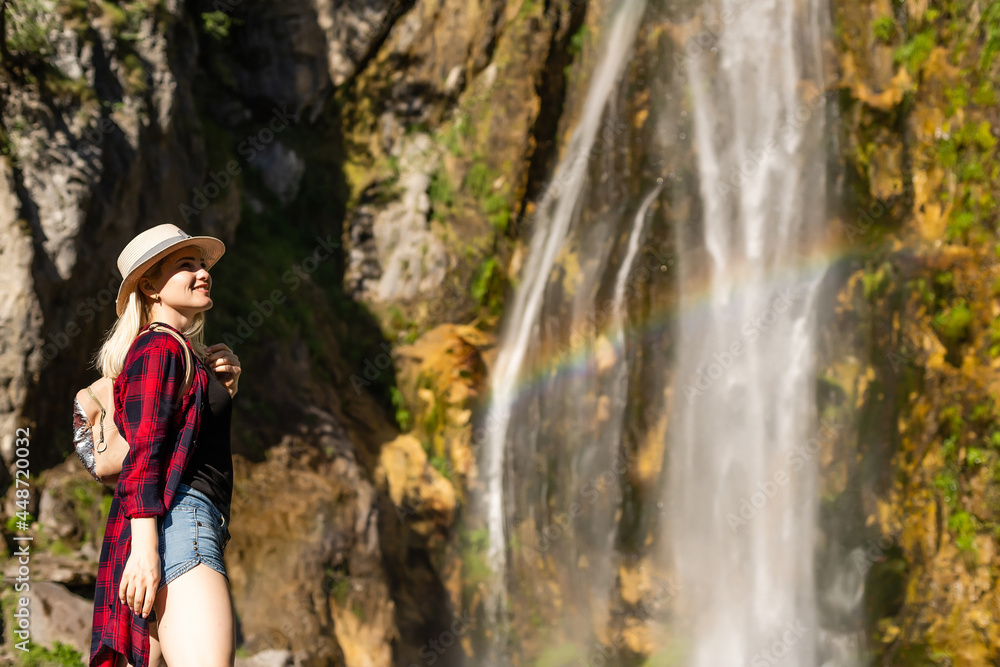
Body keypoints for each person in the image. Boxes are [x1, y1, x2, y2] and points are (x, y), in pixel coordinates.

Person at [88, 224, 243, 667]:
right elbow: (146, 454)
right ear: (150, 286)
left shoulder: (180, 351)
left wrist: (221, 392)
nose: (201, 273)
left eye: (202, 264)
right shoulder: (159, 347)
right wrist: (145, 550)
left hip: (177, 527)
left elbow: (182, 442)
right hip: (180, 526)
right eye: (185, 265)